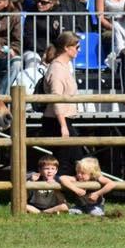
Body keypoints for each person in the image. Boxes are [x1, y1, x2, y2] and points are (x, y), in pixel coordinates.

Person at [41, 31, 81, 175]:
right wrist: (63, 126)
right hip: (57, 120)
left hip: (63, 119)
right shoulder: (57, 68)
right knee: (65, 161)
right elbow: (56, 98)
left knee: (71, 159)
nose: (79, 50)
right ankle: (61, 196)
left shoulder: (63, 67)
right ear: (66, 47)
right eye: (76, 47)